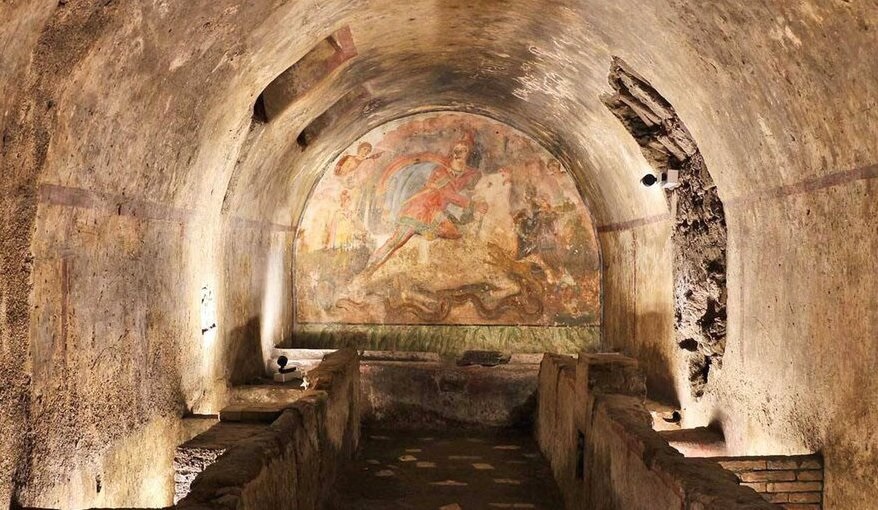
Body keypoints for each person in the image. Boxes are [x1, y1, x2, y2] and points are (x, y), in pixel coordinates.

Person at [361, 134, 487, 275]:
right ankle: (369, 269)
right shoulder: (441, 171)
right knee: (396, 241)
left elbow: (468, 188)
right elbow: (449, 194)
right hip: (419, 209)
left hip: (434, 211)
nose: (459, 153)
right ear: (452, 152)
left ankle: (434, 268)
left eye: (463, 150)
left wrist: (478, 199)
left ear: (468, 154)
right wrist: (474, 205)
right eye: (456, 150)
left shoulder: (464, 174)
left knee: (456, 232)